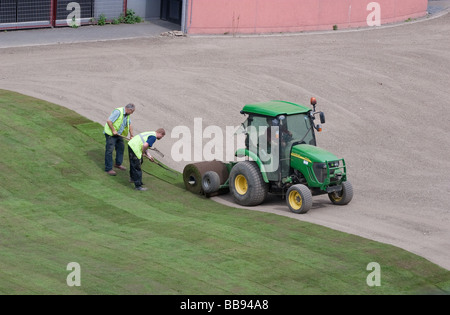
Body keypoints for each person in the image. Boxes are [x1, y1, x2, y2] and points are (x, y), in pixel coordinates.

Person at [104, 103, 135, 176]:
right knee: (109, 151)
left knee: (121, 148)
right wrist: (113, 130)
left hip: (119, 134)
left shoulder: (127, 115)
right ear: (129, 109)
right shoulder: (118, 112)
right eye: (132, 111)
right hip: (111, 134)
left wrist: (131, 135)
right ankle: (108, 169)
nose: (132, 113)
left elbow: (129, 124)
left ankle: (118, 164)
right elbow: (109, 121)